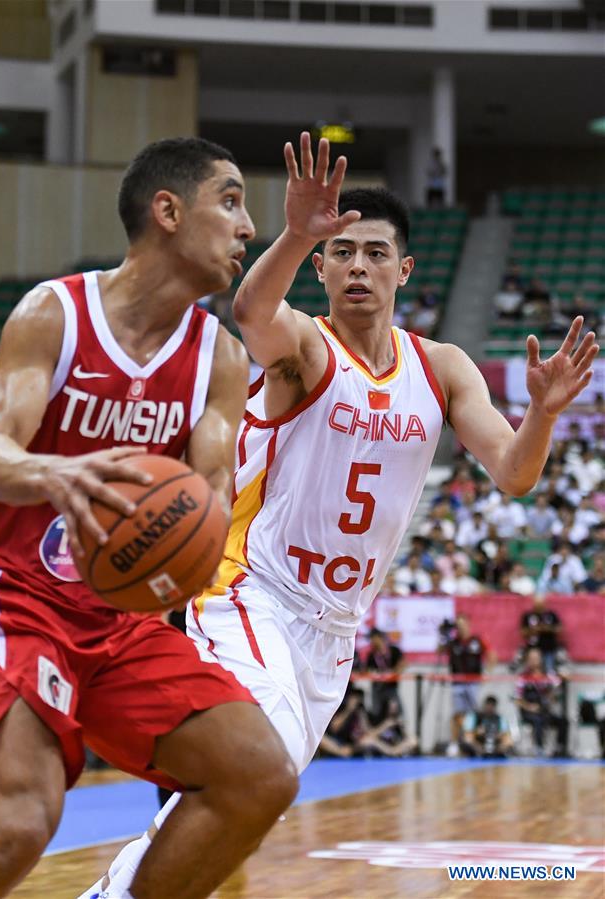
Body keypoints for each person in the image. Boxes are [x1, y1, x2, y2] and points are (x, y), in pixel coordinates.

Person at [90, 132, 599, 896]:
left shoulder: (442, 367)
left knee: (243, 800)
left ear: (404, 269)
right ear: (322, 268)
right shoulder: (305, 346)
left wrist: (543, 416)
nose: (357, 265)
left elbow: (515, 473)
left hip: (334, 629)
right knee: (252, 771)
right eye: (342, 252)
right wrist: (297, 232)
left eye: (374, 251)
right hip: (249, 591)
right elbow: (253, 308)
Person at [0, 138, 299, 899]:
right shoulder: (53, 313)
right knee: (17, 828)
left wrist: (189, 541)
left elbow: (211, 495)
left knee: (258, 774)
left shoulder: (218, 358)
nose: (247, 226)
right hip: (12, 594)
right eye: (229, 200)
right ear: (167, 210)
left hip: (121, 617)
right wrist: (64, 475)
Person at [440, 613, 495, 757]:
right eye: (458, 625)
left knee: (474, 713)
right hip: (457, 682)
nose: (461, 628)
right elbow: (439, 651)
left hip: (473, 682)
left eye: (463, 624)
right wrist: (443, 635)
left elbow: (491, 655)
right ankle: (454, 743)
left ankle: (475, 743)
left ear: (468, 625)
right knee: (457, 714)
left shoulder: (477, 640)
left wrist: (487, 672)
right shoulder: (453, 642)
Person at [515, 648, 569, 757]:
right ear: (527, 660)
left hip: (544, 711)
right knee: (538, 720)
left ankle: (559, 748)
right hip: (529, 712)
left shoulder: (548, 675)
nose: (534, 661)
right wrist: (529, 707)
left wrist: (553, 695)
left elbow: (558, 685)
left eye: (536, 658)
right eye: (531, 658)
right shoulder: (523, 677)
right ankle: (539, 749)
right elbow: (517, 699)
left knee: (563, 721)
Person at [364, 627, 404, 720]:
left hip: (391, 688)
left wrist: (392, 673)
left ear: (378, 637)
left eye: (372, 638)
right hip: (377, 688)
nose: (371, 641)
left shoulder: (393, 650)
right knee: (376, 713)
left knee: (397, 712)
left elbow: (403, 663)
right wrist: (375, 674)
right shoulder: (372, 655)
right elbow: (367, 670)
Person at [519, 595, 563, 673]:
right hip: (533, 648)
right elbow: (522, 632)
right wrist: (534, 630)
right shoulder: (528, 615)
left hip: (549, 647)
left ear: (545, 604)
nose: (539, 607)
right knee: (532, 669)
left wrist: (547, 629)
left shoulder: (551, 615)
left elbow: (560, 629)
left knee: (550, 670)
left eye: (541, 604)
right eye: (537, 605)